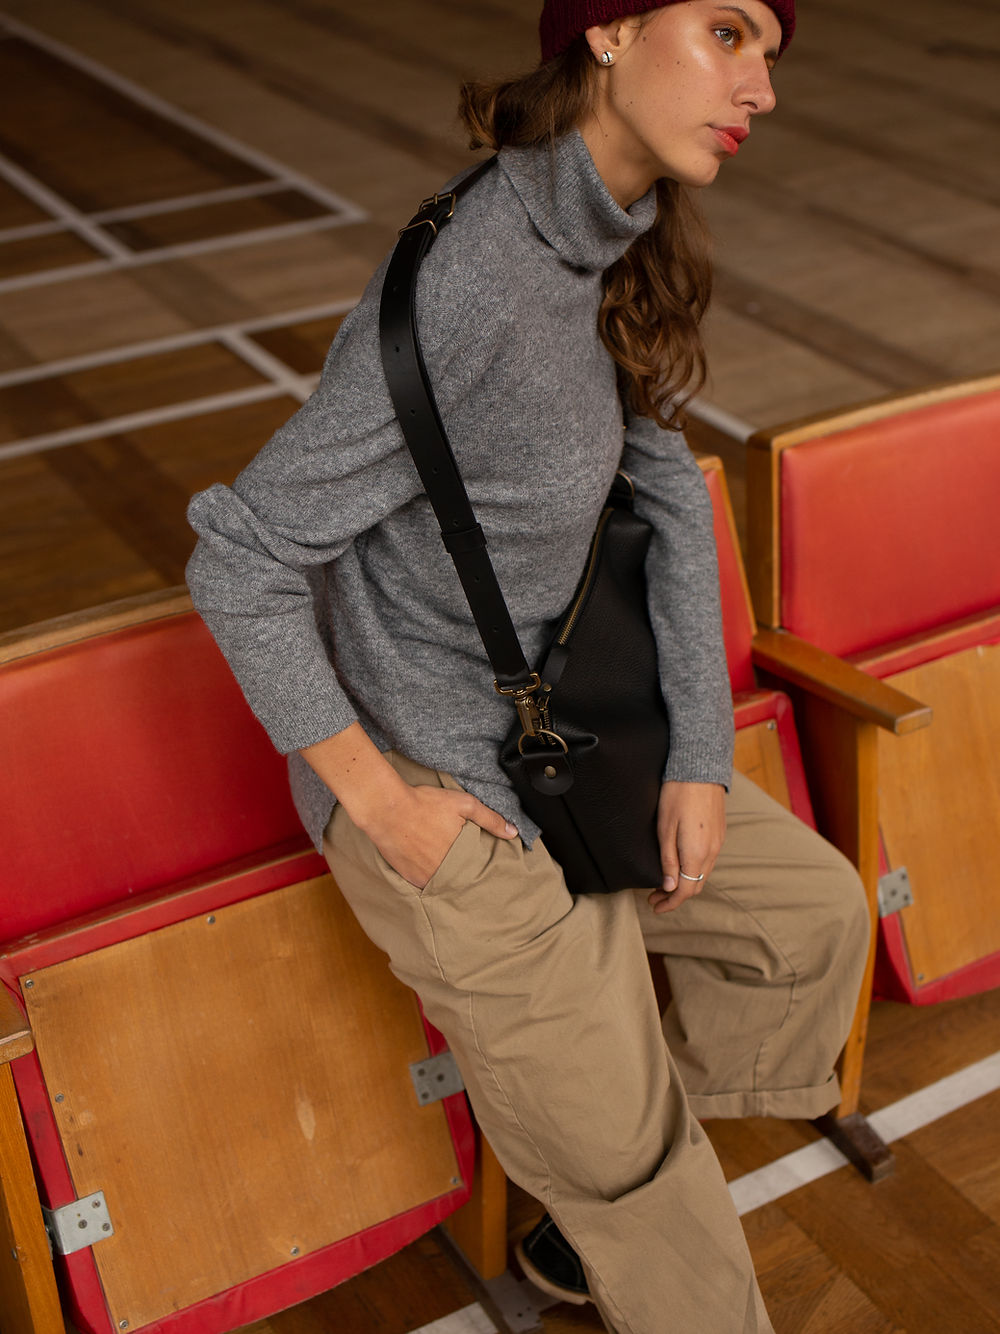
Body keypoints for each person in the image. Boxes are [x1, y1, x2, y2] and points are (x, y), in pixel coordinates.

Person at [187, 2, 869, 1330]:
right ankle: (616, 1169)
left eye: (771, 54)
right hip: (448, 784)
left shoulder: (619, 235)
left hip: (573, 738)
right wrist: (386, 805)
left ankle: (585, 1187)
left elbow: (669, 495)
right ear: (608, 33)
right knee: (643, 1164)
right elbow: (240, 558)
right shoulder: (478, 282)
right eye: (728, 33)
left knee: (812, 922)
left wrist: (698, 757)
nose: (761, 88)